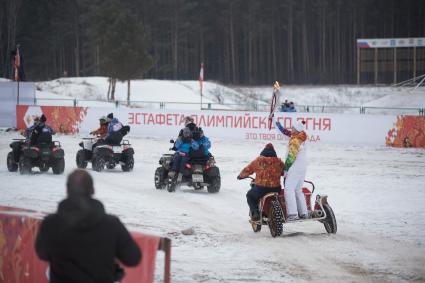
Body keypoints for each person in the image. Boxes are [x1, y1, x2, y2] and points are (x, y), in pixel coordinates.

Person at [35, 169, 141, 283]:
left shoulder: (51, 223)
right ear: (92, 190)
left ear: (67, 189)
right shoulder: (112, 224)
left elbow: (42, 254)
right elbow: (133, 258)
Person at [237, 143, 284, 221]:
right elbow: (283, 172)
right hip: (276, 188)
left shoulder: (259, 160)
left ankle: (255, 213)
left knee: (250, 196)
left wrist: (241, 176)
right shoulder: (279, 162)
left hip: (262, 188)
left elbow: (248, 169)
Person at [275, 120, 308, 221]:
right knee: (298, 190)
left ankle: (293, 214)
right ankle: (304, 213)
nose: (291, 129)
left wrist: (285, 169)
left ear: (297, 129)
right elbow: (286, 132)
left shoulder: (295, 141)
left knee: (289, 190)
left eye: (293, 128)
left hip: (295, 167)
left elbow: (291, 157)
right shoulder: (302, 137)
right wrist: (277, 125)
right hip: (303, 167)